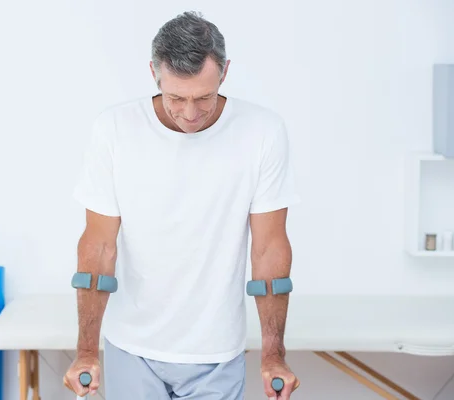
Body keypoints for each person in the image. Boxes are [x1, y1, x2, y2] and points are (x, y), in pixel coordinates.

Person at [64, 10, 301, 400]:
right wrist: (87, 350)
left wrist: (274, 354)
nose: (190, 114)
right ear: (154, 74)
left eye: (204, 97)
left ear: (224, 74)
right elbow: (99, 247)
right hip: (132, 346)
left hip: (217, 352)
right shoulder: (115, 130)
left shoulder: (262, 132)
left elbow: (269, 248)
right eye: (176, 97)